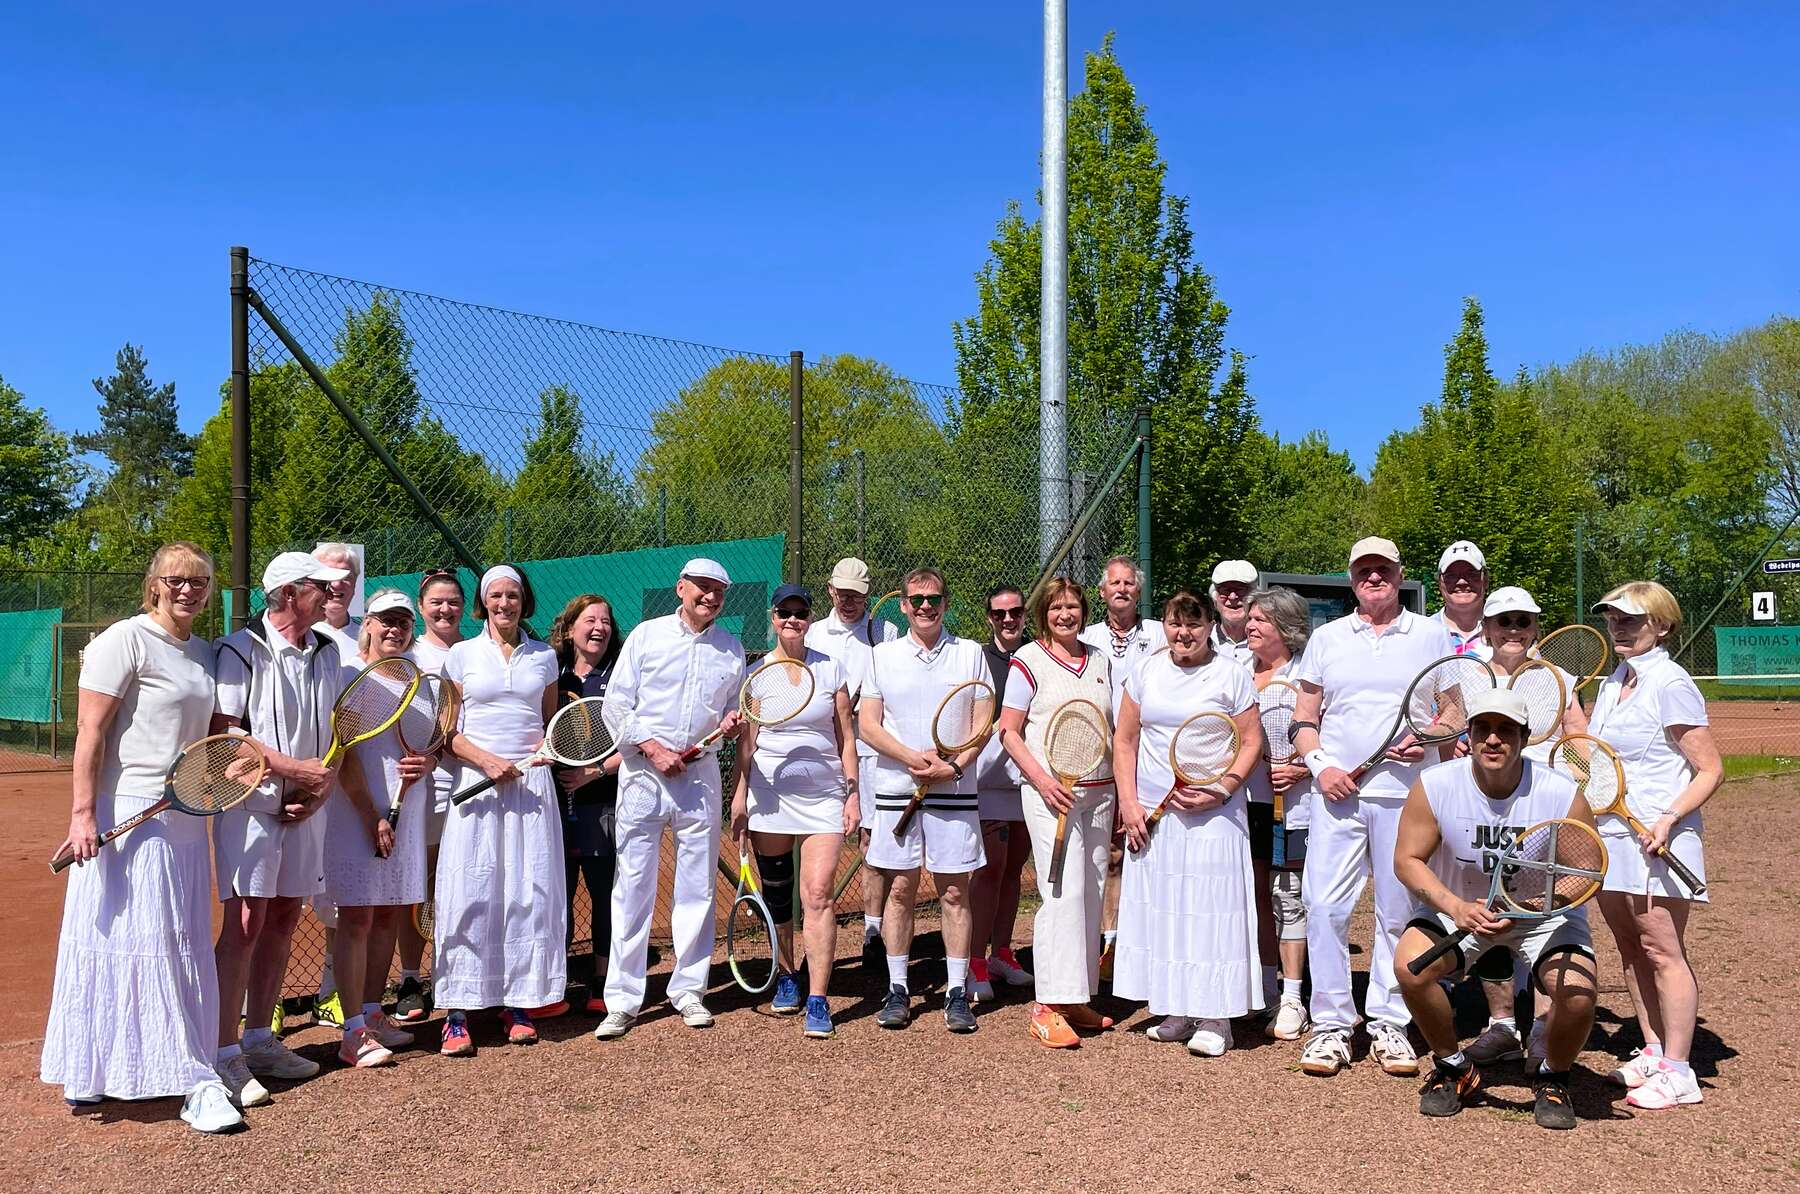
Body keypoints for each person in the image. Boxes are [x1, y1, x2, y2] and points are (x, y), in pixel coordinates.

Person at [41, 542, 243, 1133]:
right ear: (154, 583)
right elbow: (90, 731)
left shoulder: (202, 651)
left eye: (199, 582)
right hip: (127, 807)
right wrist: (83, 815)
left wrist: (225, 769)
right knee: (127, 937)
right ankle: (121, 1071)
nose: (188, 590)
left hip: (185, 813)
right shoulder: (123, 640)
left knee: (176, 938)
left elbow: (200, 738)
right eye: (176, 579)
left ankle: (183, 1070)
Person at [1392, 689, 1599, 1131]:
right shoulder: (1436, 785)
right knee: (1411, 970)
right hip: (1461, 906)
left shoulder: (1560, 792)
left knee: (1578, 993)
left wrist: (1529, 907)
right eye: (1482, 728)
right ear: (1468, 734)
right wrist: (1455, 907)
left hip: (1539, 914)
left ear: (1524, 737)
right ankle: (1453, 1067)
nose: (1492, 739)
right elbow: (1407, 860)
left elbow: (1586, 871)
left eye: (1505, 730)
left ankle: (1553, 1077)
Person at [1290, 536, 1458, 1077]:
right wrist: (1322, 766)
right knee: (1323, 906)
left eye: (1383, 568)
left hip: (1408, 798)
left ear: (1399, 575)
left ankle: (1390, 1022)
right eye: (1364, 569)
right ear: (1352, 577)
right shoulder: (1327, 638)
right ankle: (1331, 1025)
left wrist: (1427, 737)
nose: (1374, 577)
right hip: (1336, 796)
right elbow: (1303, 719)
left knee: (1397, 911)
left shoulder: (1431, 635)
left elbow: (1456, 714)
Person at [212, 552, 347, 1101]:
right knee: (246, 922)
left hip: (307, 809)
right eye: (321, 587)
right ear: (290, 593)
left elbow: (338, 730)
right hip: (248, 809)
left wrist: (320, 790)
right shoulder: (237, 649)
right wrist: (294, 772)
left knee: (286, 916)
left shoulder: (328, 651)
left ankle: (259, 1040)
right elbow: (225, 734)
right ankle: (223, 1054)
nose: (332, 595)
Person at [596, 559, 747, 1039]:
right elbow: (616, 706)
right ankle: (622, 1001)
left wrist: (729, 725)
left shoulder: (731, 647)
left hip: (699, 778)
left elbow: (732, 711)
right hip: (643, 776)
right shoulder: (647, 636)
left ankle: (689, 991)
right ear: (681, 588)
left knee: (697, 888)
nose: (710, 596)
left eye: (718, 590)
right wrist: (653, 749)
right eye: (702, 587)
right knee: (632, 887)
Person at [1588, 582, 1724, 1110]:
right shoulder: (1613, 681)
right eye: (1612, 618)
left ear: (1662, 626)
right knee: (1630, 946)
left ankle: (1680, 1070)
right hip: (1612, 833)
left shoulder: (1671, 683)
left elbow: (1710, 770)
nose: (1618, 627)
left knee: (1664, 950)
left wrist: (1668, 819)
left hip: (1659, 838)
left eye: (1631, 619)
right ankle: (1652, 1049)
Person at [1113, 590, 1263, 1056]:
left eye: (1194, 624)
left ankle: (1217, 1018)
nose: (1183, 633)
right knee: (1168, 909)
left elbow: (1251, 742)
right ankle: (1177, 1007)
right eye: (1175, 623)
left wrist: (1223, 788)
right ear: (1163, 625)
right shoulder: (1145, 672)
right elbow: (1125, 741)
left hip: (1216, 817)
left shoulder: (1232, 675)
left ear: (1210, 626)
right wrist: (1130, 805)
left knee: (1211, 910)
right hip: (1155, 816)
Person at [1461, 584, 1592, 1067]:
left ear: (1535, 627)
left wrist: (1578, 781)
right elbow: (1450, 728)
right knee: (1490, 902)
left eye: (1523, 621)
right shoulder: (1470, 675)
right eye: (1504, 621)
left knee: (1547, 907)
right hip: (1487, 806)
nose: (1513, 630)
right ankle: (1500, 1024)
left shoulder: (1557, 676)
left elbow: (1578, 736)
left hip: (1544, 809)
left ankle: (1540, 1026)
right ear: (1487, 628)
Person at [437, 565, 565, 1055]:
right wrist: (487, 762)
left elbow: (549, 723)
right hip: (477, 784)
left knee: (526, 893)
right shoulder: (460, 655)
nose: (504, 603)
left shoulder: (545, 657)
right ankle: (456, 1013)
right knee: (469, 892)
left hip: (531, 789)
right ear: (483, 602)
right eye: (496, 595)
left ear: (523, 601)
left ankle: (518, 1004)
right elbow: (447, 733)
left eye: (513, 595)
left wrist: (545, 753)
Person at [859, 566, 991, 1033]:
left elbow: (983, 722)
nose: (925, 607)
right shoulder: (882, 656)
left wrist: (952, 768)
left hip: (954, 789)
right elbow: (868, 725)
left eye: (933, 599)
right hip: (897, 790)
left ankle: (956, 993)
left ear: (945, 603)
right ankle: (898, 989)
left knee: (954, 891)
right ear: (903, 605)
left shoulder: (970, 653)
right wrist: (912, 759)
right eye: (916, 600)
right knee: (899, 889)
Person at [728, 583, 858, 1038]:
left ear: (809, 619)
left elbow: (846, 737)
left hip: (823, 797)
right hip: (770, 798)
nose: (792, 620)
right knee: (778, 897)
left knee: (818, 893)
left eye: (800, 613)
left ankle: (818, 998)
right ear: (773, 617)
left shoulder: (831, 668)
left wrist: (853, 794)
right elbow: (748, 744)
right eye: (784, 612)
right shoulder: (756, 674)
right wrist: (740, 795)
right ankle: (787, 976)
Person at [997, 577, 1117, 1047]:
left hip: (1100, 792)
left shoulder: (1100, 660)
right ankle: (1047, 1005)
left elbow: (1113, 728)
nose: (1065, 615)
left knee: (1092, 893)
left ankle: (1076, 997)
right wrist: (1044, 782)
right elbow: (1009, 731)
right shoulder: (1028, 660)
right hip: (1050, 794)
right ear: (1043, 613)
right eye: (1055, 608)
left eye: (1072, 607)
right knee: (1062, 892)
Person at [320, 590, 434, 1067]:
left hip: (407, 812)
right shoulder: (347, 675)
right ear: (367, 623)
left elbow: (432, 746)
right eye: (385, 620)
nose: (395, 629)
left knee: (388, 913)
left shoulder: (418, 681)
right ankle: (351, 1031)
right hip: (356, 814)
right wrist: (372, 816)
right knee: (358, 917)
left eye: (403, 622)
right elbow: (341, 755)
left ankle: (372, 1012)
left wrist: (427, 763)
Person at [804, 556, 897, 978]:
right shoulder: (813, 632)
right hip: (823, 752)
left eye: (856, 595)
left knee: (870, 842)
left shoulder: (885, 633)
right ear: (830, 591)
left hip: (871, 752)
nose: (848, 601)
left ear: (867, 594)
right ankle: (808, 940)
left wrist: (867, 710)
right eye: (842, 594)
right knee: (814, 842)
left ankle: (872, 932)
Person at [1078, 555, 1164, 975]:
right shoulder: (1086, 637)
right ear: (1102, 592)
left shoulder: (1160, 634)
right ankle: (1109, 943)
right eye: (1115, 583)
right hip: (1099, 759)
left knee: (1147, 846)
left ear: (1139, 590)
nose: (1122, 589)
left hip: (1150, 759)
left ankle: (1147, 940)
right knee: (1110, 852)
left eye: (1129, 583)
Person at [392, 567, 466, 1022]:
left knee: (455, 882)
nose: (445, 609)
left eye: (453, 602)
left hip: (469, 783)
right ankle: (409, 978)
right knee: (417, 882)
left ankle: (450, 973)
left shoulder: (474, 651)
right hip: (423, 785)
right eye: (436, 602)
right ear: (422, 608)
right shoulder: (410, 655)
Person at [1243, 586, 1314, 1040]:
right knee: (1255, 896)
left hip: (1296, 806)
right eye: (1250, 618)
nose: (1249, 625)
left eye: (1260, 620)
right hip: (1245, 803)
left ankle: (1292, 998)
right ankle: (1265, 989)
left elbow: (1327, 733)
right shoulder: (1236, 670)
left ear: (1285, 629)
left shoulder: (1306, 674)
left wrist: (1302, 767)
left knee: (1287, 896)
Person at [550, 593, 624, 1015]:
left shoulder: (619, 675)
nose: (599, 628)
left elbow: (633, 742)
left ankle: (601, 979)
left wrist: (593, 772)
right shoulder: (551, 674)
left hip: (604, 803)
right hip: (554, 805)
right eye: (590, 620)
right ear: (569, 628)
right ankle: (554, 979)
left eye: (606, 621)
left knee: (603, 894)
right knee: (557, 896)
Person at [969, 583, 1033, 1005]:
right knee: (990, 869)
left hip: (1028, 781)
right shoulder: (977, 660)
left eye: (1015, 612)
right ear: (989, 617)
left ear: (1025, 614)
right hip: (987, 782)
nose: (1008, 620)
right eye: (999, 613)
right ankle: (975, 960)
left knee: (1013, 871)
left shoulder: (1037, 655)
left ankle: (1002, 953)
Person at [307, 541, 362, 1029]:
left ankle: (331, 991)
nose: (338, 582)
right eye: (329, 573)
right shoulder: (293, 632)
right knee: (279, 901)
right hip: (298, 785)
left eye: (347, 575)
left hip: (347, 793)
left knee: (340, 899)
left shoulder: (365, 639)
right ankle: (266, 1003)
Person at [1430, 540, 1487, 656]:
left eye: (1471, 574)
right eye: (1451, 576)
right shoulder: (1423, 633)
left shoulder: (1506, 633)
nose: (1461, 582)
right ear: (1439, 582)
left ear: (1486, 579)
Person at [1208, 560, 1258, 667]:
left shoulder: (1267, 643)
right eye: (1225, 591)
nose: (1232, 597)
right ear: (1215, 598)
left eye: (1240, 590)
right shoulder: (1202, 642)